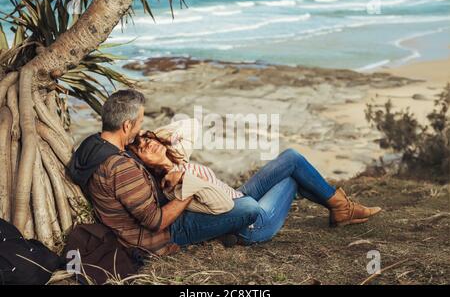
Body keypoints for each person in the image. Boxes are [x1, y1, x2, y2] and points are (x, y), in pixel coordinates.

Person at [129, 119, 382, 246]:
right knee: (293, 177)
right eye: (140, 147)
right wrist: (186, 178)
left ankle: (339, 206)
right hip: (249, 222)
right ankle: (341, 207)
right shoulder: (170, 184)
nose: (146, 143)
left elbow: (191, 125)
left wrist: (150, 135)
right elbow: (221, 207)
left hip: (239, 195)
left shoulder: (178, 157)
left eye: (146, 138)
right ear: (142, 163)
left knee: (291, 157)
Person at [68, 89, 260, 255]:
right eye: (140, 123)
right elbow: (156, 222)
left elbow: (189, 126)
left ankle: (224, 229)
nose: (141, 129)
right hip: (161, 235)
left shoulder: (93, 144)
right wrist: (189, 189)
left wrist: (151, 142)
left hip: (152, 214)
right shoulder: (120, 168)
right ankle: (236, 231)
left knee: (232, 199)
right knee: (248, 207)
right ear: (126, 125)